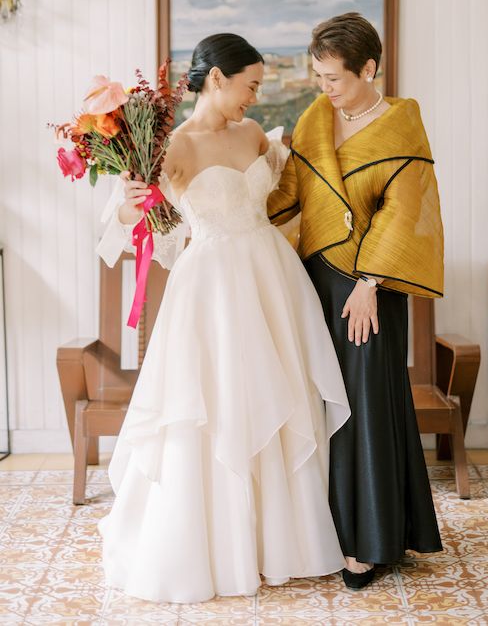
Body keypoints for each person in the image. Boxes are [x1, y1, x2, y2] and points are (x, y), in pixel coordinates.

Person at [96, 33, 350, 604]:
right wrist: (131, 201)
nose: (254, 98)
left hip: (273, 280)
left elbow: (291, 195)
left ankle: (278, 544)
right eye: (251, 85)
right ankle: (216, 549)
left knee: (278, 399)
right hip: (211, 290)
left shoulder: (255, 135)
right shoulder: (172, 148)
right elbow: (131, 223)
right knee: (217, 406)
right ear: (217, 78)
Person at [268, 12, 444, 590]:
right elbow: (292, 191)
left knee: (367, 405)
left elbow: (403, 211)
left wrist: (370, 282)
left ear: (370, 68)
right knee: (322, 404)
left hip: (370, 287)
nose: (324, 87)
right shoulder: (317, 115)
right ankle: (344, 531)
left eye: (334, 77)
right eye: (319, 76)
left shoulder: (402, 124)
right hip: (314, 279)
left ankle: (367, 544)